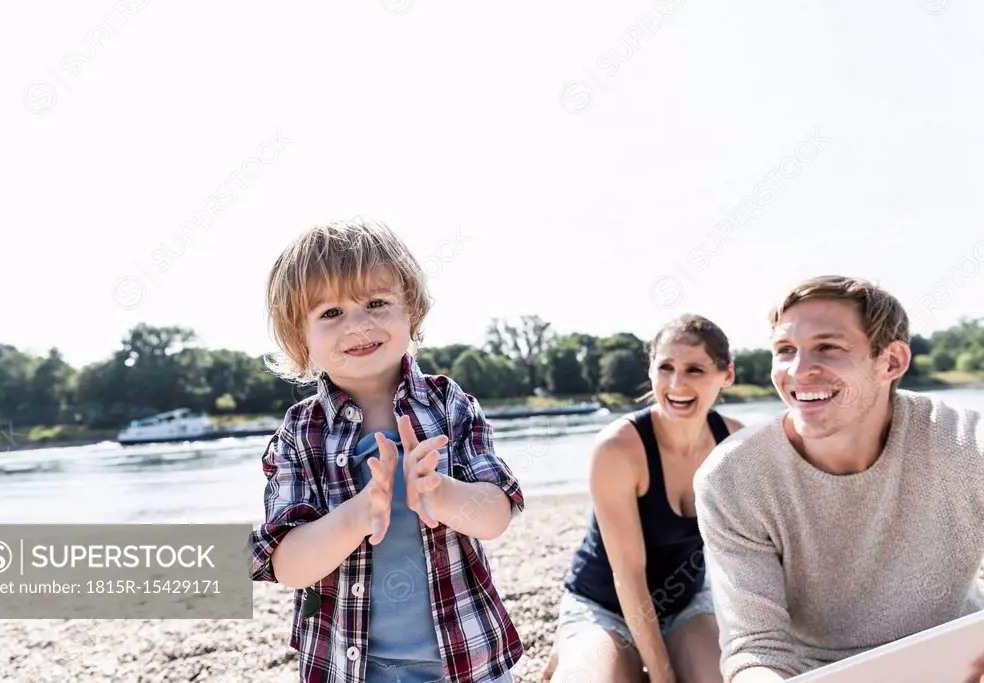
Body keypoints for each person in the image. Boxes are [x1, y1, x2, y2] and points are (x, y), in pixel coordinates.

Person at [247, 217, 524, 683]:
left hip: (467, 660)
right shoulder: (300, 431)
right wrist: (358, 514)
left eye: (377, 303)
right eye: (330, 313)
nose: (358, 324)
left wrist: (442, 493)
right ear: (301, 337)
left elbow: (497, 515)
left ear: (410, 313)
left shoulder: (447, 403)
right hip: (350, 667)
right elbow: (288, 565)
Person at [694, 275, 984, 683]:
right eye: (785, 350)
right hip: (820, 675)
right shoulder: (733, 479)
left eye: (828, 347)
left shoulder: (967, 445)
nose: (799, 371)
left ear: (892, 361)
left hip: (960, 663)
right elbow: (756, 649)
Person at [544, 314, 745, 683]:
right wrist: (663, 674)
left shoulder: (734, 444)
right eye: (665, 367)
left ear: (726, 375)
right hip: (604, 606)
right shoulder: (618, 448)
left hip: (685, 605)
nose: (676, 383)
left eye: (695, 370)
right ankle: (576, 642)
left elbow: (753, 548)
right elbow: (628, 576)